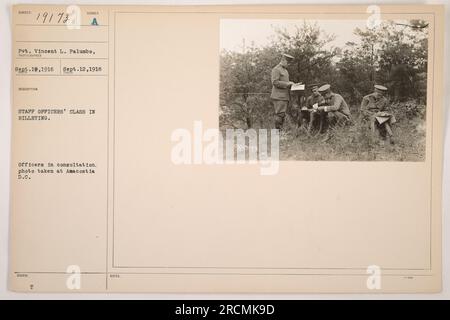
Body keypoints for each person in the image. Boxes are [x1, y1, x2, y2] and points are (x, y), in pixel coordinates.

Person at [270, 53, 295, 130]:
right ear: (283, 60)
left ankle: (280, 132)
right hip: (278, 96)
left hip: (284, 96)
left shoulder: (285, 70)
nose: (289, 64)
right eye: (288, 62)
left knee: (282, 114)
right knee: (280, 114)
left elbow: (284, 82)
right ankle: (278, 133)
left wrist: (292, 84)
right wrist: (288, 84)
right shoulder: (276, 69)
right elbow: (275, 82)